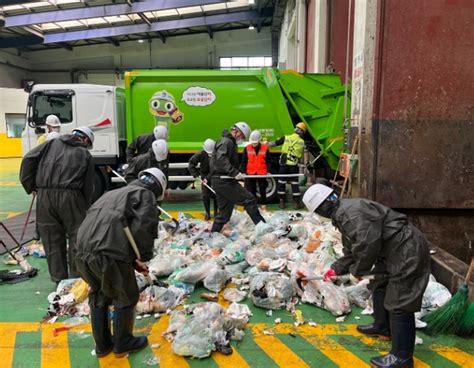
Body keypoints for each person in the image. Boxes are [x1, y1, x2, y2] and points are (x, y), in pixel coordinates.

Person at [302, 183, 431, 368]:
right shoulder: (342, 215)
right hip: (390, 251)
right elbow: (352, 250)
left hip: (406, 250)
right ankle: (382, 326)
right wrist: (336, 269)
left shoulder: (351, 213)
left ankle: (402, 358)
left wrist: (357, 271)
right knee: (379, 286)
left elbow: (366, 244)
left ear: (321, 208)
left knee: (400, 302)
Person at [75, 168, 166, 359]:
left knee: (99, 293)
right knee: (126, 295)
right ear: (157, 189)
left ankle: (102, 346)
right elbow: (143, 228)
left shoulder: (113, 193)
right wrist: (143, 255)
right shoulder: (145, 195)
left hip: (82, 251)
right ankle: (123, 343)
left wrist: (133, 262)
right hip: (108, 253)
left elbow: (117, 227)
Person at [20, 126, 95, 283]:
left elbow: (28, 159)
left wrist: (31, 185)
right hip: (71, 196)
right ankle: (76, 279)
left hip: (45, 197)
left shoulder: (50, 144)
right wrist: (85, 206)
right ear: (86, 140)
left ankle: (59, 279)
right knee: (77, 236)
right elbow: (88, 186)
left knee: (51, 237)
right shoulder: (84, 154)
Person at [209, 122, 266, 233]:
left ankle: (213, 234)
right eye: (243, 137)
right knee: (249, 199)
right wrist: (234, 173)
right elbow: (222, 159)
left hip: (221, 180)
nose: (242, 139)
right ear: (237, 132)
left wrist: (237, 173)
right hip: (224, 180)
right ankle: (263, 228)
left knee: (224, 214)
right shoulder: (227, 142)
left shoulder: (229, 142)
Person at [268, 122, 306, 209]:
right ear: (302, 132)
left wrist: (266, 143)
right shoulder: (302, 142)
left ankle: (281, 202)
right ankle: (296, 203)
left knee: (281, 183)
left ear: (295, 129)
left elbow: (274, 143)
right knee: (294, 184)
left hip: (283, 164)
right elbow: (300, 155)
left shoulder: (286, 137)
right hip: (293, 165)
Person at [240, 130, 270, 208]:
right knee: (251, 190)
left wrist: (269, 171)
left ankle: (263, 205)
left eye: (255, 143)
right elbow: (244, 160)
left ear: (259, 141)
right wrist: (242, 171)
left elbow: (268, 161)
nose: (253, 144)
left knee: (262, 189)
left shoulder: (265, 148)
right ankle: (253, 206)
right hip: (251, 172)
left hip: (262, 172)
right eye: (252, 142)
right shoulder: (247, 148)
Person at [188, 138, 217, 221]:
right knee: (205, 195)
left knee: (217, 195)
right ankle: (207, 213)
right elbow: (191, 163)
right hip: (204, 176)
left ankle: (216, 213)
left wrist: (208, 178)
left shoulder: (217, 154)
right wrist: (196, 175)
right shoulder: (201, 153)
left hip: (214, 175)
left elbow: (216, 168)